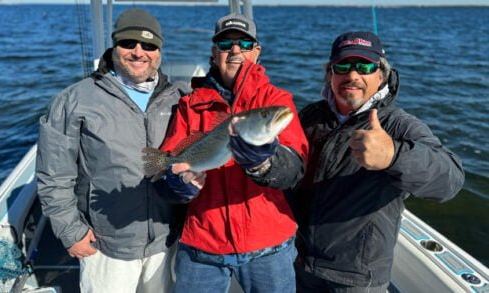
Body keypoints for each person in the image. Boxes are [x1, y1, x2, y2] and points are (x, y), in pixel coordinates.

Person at [293, 31, 465, 292]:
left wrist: (394, 155)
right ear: (330, 73)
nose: (352, 76)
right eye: (342, 66)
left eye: (364, 67)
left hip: (356, 278)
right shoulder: (310, 116)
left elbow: (450, 179)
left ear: (381, 75)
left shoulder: (398, 125)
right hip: (299, 261)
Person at [157, 13, 309, 293]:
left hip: (269, 244)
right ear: (215, 53)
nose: (235, 51)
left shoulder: (276, 100)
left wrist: (265, 163)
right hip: (203, 245)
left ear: (257, 51)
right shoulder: (190, 105)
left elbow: (295, 166)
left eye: (245, 44)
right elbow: (168, 166)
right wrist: (177, 184)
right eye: (226, 44)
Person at [36, 9, 183, 293]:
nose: (139, 52)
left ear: (159, 52)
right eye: (129, 43)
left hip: (166, 241)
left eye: (149, 45)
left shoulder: (178, 98)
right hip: (105, 245)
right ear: (114, 47)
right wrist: (71, 232)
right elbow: (54, 175)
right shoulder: (73, 100)